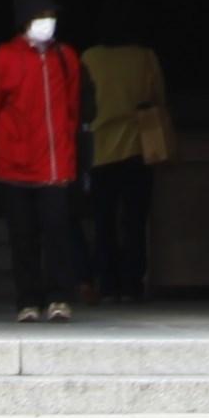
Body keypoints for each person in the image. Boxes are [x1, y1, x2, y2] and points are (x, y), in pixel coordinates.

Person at [0, 2, 89, 321]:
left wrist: (66, 148)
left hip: (53, 165)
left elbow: (73, 108)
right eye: (39, 16)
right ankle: (27, 300)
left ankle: (59, 297)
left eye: (51, 16)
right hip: (14, 165)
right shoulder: (3, 58)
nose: (47, 23)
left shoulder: (66, 57)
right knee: (23, 237)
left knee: (57, 231)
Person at [79, 23, 173, 303]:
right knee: (134, 221)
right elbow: (158, 98)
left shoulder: (90, 57)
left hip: (99, 150)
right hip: (137, 149)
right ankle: (132, 283)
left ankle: (107, 283)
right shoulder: (144, 57)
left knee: (103, 221)